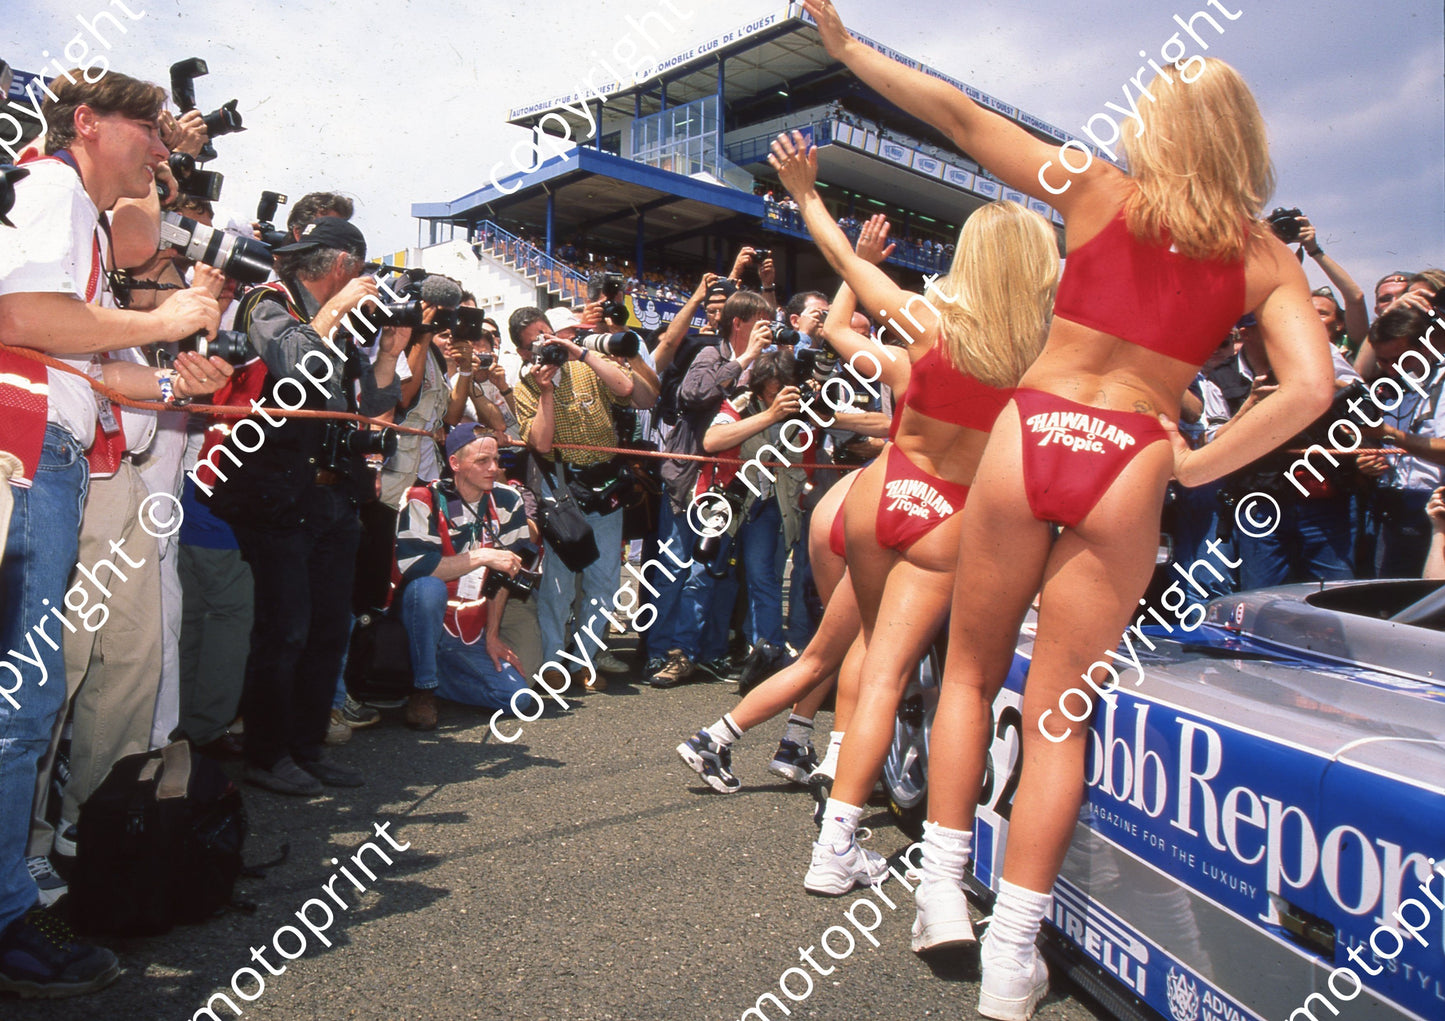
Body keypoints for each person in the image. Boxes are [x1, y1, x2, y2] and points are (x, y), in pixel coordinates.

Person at [805, 5, 1335, 1018]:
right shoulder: (1262, 256)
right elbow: (1309, 390)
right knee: (1059, 718)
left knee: (964, 671)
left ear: (1159, 129)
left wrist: (845, 51)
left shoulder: (1099, 190)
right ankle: (1011, 958)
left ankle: (937, 896)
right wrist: (1195, 463)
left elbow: (957, 117)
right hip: (1129, 454)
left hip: (1031, 431)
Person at [0, 66, 228, 998]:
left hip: (53, 446)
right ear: (87, 123)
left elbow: (87, 366)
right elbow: (21, 317)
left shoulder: (84, 224)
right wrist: (167, 316)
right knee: (20, 706)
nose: (159, 148)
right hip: (28, 451)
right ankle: (10, 920)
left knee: (27, 701)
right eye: (146, 128)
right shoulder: (52, 184)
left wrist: (175, 379)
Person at [206, 216, 408, 796]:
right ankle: (268, 756)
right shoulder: (265, 303)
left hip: (331, 498)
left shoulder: (345, 328)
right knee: (285, 632)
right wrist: (335, 312)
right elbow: (297, 365)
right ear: (342, 265)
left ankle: (306, 746)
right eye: (360, 271)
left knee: (326, 631)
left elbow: (367, 406)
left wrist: (389, 353)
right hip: (273, 499)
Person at [510, 306, 637, 689]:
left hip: (607, 483)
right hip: (563, 490)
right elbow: (542, 443)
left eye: (547, 334)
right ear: (522, 353)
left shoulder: (586, 364)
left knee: (604, 581)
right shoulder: (526, 386)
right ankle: (551, 661)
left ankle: (584, 660)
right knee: (558, 584)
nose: (546, 344)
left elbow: (627, 389)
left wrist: (581, 352)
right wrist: (546, 390)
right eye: (535, 341)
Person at [394, 424, 532, 726]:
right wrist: (482, 555)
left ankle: (432, 676)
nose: (493, 468)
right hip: (418, 624)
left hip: (468, 631)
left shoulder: (508, 500)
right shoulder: (423, 498)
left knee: (519, 700)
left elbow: (505, 576)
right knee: (428, 588)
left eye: (496, 460)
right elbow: (417, 565)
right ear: (455, 464)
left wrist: (493, 636)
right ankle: (423, 690)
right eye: (482, 461)